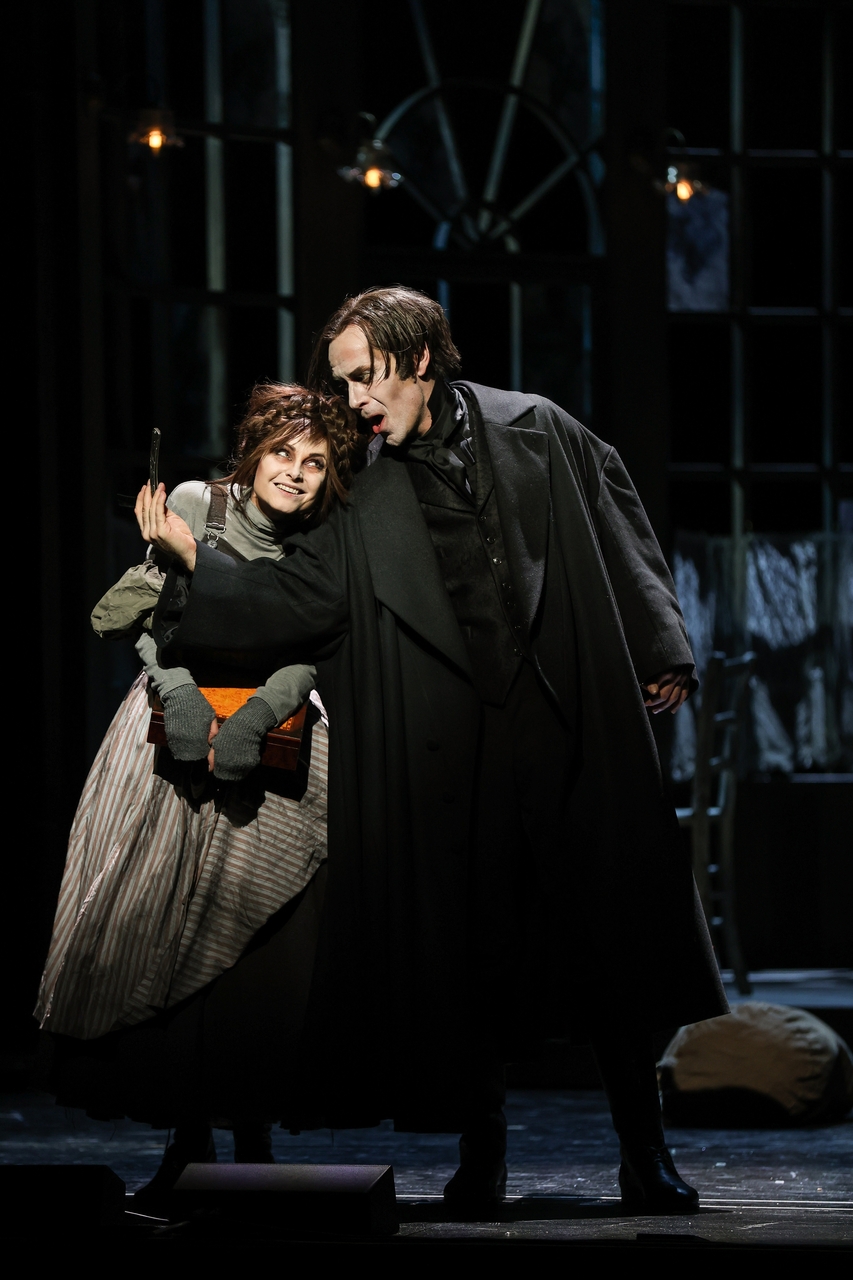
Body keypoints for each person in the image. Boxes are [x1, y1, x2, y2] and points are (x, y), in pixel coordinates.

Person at [139, 286, 728, 1214]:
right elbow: (304, 598)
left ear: (419, 361)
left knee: (606, 934)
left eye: (366, 377)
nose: (355, 401)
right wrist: (191, 567)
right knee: (471, 948)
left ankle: (643, 1151)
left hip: (561, 711)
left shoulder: (537, 428)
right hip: (455, 737)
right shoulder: (363, 485)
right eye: (343, 382)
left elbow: (617, 524)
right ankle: (480, 1155)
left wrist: (661, 643)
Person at [37, 383, 364, 1187]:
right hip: (172, 722)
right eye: (282, 453)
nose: (294, 473)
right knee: (159, 914)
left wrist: (260, 712)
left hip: (276, 728)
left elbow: (315, 640)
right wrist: (176, 690)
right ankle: (186, 1136)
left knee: (261, 941)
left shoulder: (326, 533)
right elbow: (148, 616)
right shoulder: (195, 504)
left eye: (314, 462)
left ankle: (253, 1132)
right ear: (252, 451)